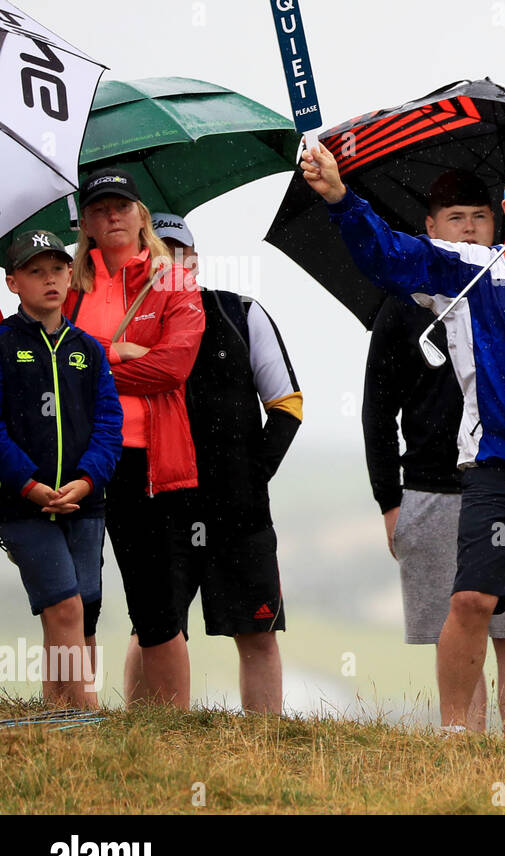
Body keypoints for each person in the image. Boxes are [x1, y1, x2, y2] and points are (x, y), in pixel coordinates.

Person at [299, 147, 505, 739]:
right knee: (470, 601)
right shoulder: (474, 267)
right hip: (495, 463)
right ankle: (456, 738)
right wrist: (339, 199)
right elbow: (391, 255)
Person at [360, 170, 505, 735]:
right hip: (430, 488)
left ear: (498, 222)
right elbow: (377, 412)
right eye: (454, 219)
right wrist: (388, 500)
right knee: (458, 622)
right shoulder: (401, 307)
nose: (468, 230)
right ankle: (463, 747)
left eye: (479, 218)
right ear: (428, 227)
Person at [116, 214, 301, 715]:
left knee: (257, 631)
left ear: (195, 262)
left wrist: (251, 475)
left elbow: (287, 405)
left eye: (179, 254)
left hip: (239, 511)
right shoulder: (122, 327)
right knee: (152, 630)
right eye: (157, 254)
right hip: (161, 505)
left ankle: (265, 744)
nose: (169, 264)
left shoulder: (242, 312)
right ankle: (141, 736)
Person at [64, 168, 204, 709]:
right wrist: (117, 353)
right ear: (87, 225)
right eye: (100, 210)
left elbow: (174, 367)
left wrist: (88, 362)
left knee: (155, 600)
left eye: (122, 206)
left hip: (146, 457)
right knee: (77, 596)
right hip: (76, 453)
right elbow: (52, 358)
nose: (113, 216)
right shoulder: (69, 282)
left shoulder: (174, 280)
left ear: (142, 215)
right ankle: (76, 709)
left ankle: (171, 722)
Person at [0, 231, 122, 709]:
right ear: (13, 283)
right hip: (22, 504)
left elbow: (110, 424)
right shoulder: (5, 345)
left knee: (75, 609)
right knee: (65, 603)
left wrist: (88, 479)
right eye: (35, 271)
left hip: (85, 503)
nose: (49, 278)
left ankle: (56, 709)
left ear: (71, 276)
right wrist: (28, 484)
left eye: (57, 268)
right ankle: (89, 714)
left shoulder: (87, 349)